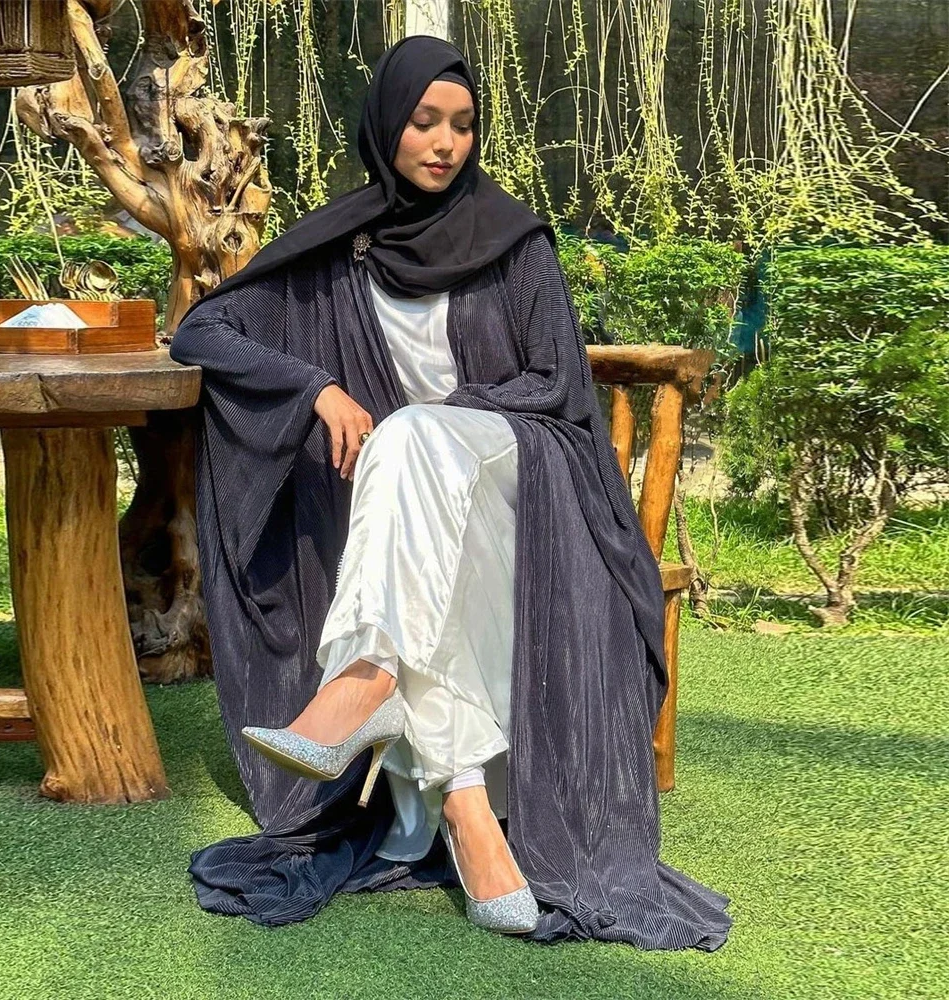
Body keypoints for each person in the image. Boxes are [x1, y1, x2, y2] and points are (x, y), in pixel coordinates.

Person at [168, 34, 732, 947]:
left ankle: (361, 679)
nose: (444, 142)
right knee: (414, 471)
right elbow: (204, 331)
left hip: (527, 473)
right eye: (425, 121)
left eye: (462, 125)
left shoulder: (513, 240)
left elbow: (556, 383)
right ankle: (467, 807)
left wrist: (433, 418)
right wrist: (316, 388)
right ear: (386, 123)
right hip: (417, 508)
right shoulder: (344, 247)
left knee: (411, 431)